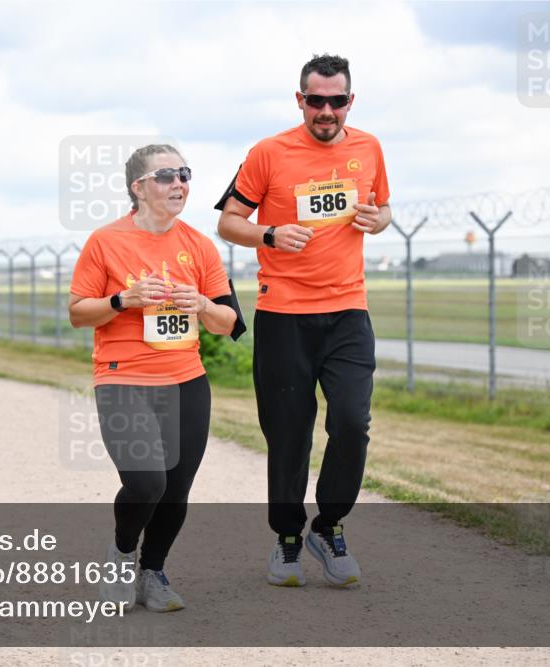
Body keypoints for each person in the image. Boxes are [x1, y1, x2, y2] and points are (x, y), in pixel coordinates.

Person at [215, 54, 392, 587]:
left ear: (349, 102)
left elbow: (383, 209)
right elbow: (228, 221)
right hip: (283, 315)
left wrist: (378, 219)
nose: (326, 110)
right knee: (289, 435)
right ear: (300, 101)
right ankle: (288, 537)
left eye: (336, 101)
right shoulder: (269, 153)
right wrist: (269, 235)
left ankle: (329, 525)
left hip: (347, 313)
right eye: (315, 100)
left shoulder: (369, 147)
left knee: (352, 423)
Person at [69, 144, 239, 612]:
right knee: (147, 483)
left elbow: (229, 323)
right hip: (123, 379)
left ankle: (154, 571)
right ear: (138, 188)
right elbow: (79, 314)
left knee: (177, 488)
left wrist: (202, 305)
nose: (179, 183)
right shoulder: (105, 241)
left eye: (184, 174)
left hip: (186, 381)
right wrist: (123, 300)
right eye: (165, 176)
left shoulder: (199, 245)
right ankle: (123, 553)